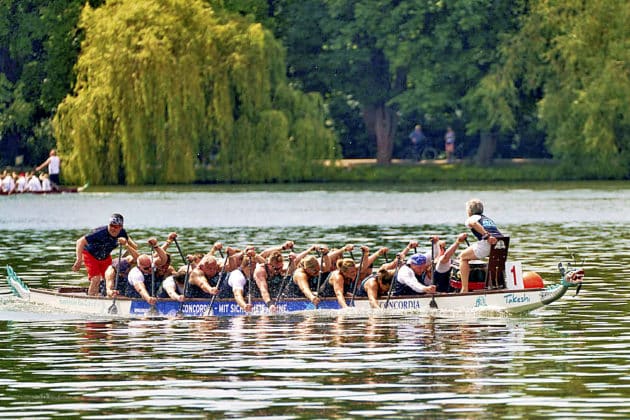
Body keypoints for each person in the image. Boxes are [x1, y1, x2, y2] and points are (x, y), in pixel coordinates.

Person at [72, 213, 131, 296]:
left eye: (116, 227)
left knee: (109, 278)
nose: (113, 229)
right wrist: (78, 260)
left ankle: (107, 297)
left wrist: (126, 248)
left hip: (105, 257)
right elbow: (80, 242)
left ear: (121, 227)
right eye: (111, 225)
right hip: (90, 255)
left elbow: (133, 247)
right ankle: (91, 299)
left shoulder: (123, 233)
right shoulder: (100, 232)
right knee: (96, 279)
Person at [458, 198, 502, 293]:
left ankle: (464, 289)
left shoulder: (472, 218)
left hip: (488, 243)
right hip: (501, 243)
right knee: (489, 260)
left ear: (469, 211)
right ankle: (496, 285)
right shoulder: (487, 219)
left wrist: (487, 236)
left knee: (462, 257)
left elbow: (473, 223)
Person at [356, 240, 418, 307]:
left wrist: (408, 248)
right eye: (384, 289)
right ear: (380, 281)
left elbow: (395, 263)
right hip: (365, 298)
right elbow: (372, 301)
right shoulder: (372, 283)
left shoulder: (386, 272)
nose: (384, 291)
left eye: (388, 289)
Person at [125, 240, 168, 305]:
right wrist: (148, 298)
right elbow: (141, 289)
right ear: (139, 267)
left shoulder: (153, 264)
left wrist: (156, 246)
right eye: (146, 268)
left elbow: (164, 259)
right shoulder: (135, 273)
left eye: (150, 266)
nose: (150, 269)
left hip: (152, 297)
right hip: (135, 299)